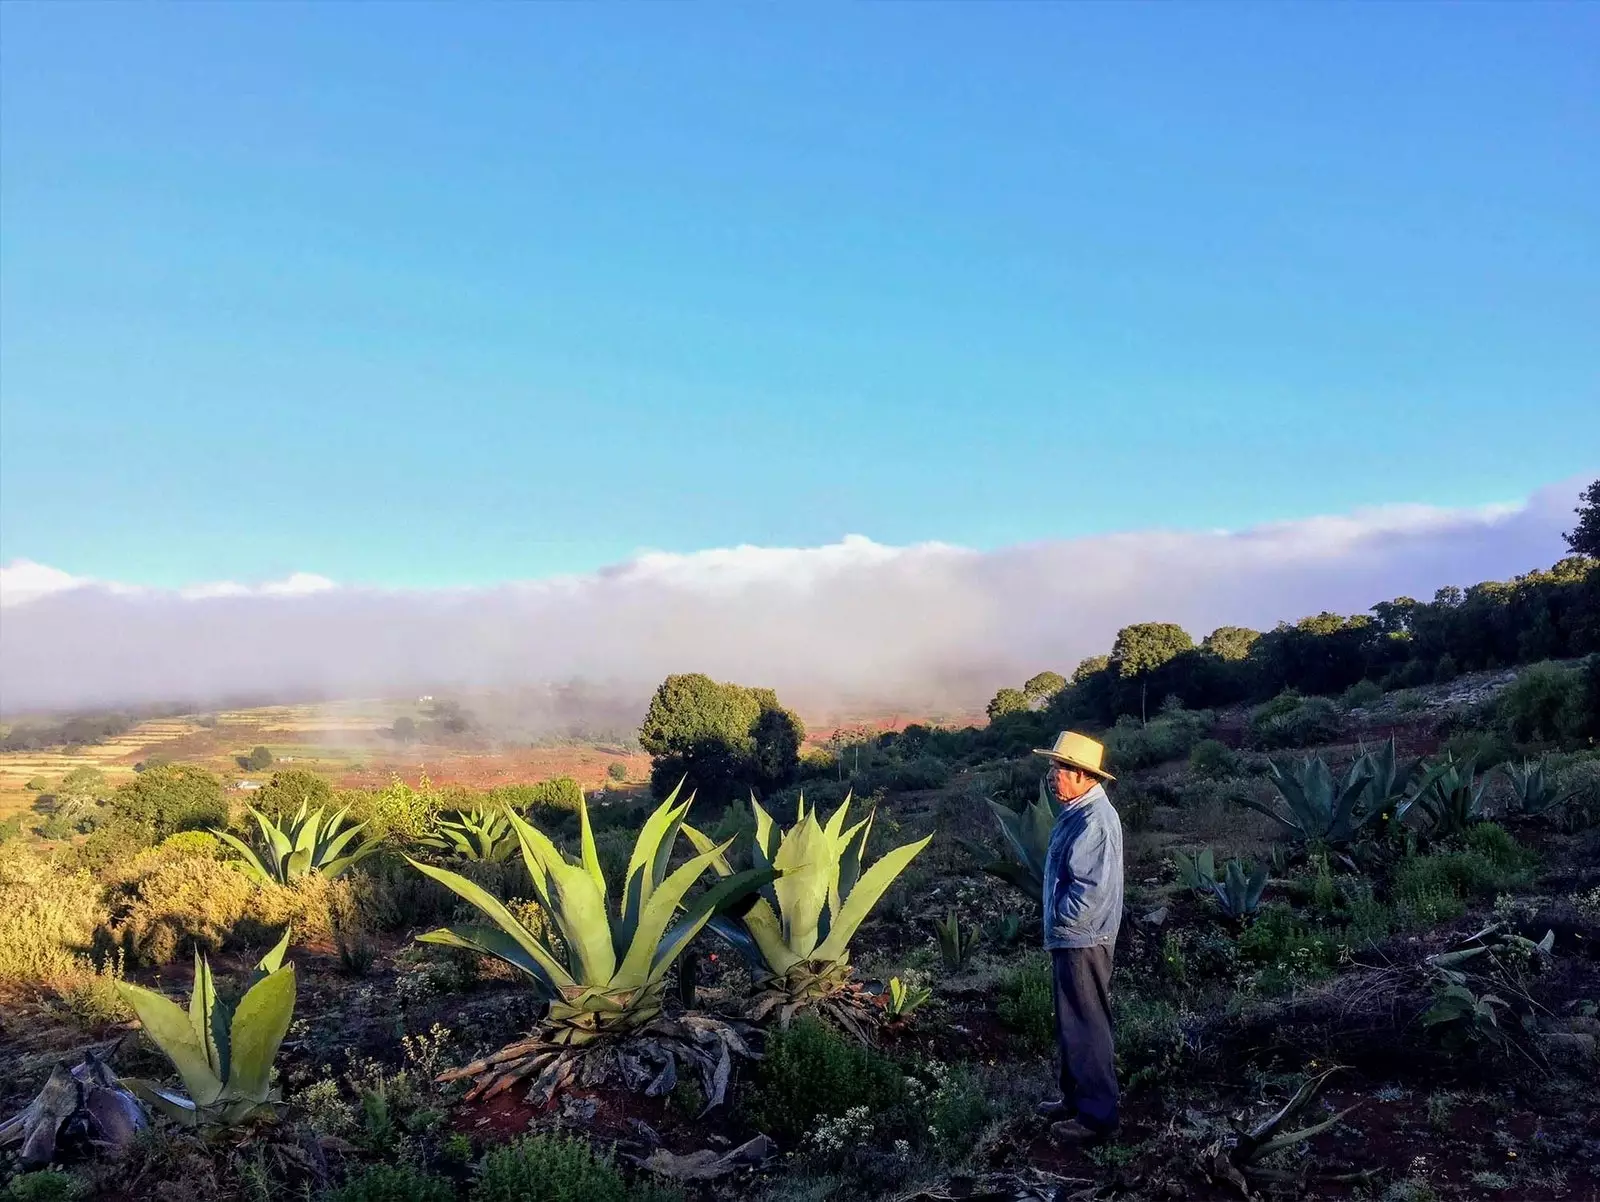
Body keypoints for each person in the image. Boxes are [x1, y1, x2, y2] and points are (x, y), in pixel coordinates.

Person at [1032, 730, 1123, 1145]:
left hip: (1082, 937)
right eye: (1052, 768)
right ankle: (1074, 1100)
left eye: (1061, 769)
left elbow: (1089, 890)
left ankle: (1096, 1118)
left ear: (1085, 776)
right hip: (1072, 936)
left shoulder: (1093, 820)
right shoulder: (1079, 812)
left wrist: (1062, 920)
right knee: (1072, 1021)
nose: (1054, 777)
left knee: (1087, 1023)